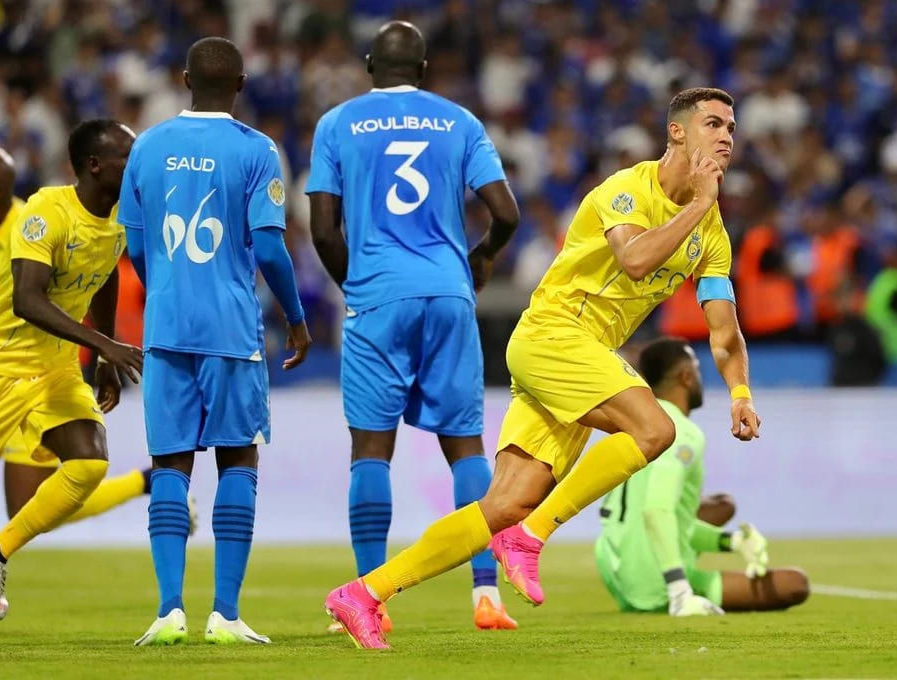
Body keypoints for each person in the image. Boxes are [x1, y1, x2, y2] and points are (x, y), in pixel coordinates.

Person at [326, 86, 761, 650]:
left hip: (585, 359)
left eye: (731, 126)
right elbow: (634, 261)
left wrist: (741, 393)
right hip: (552, 334)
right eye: (712, 123)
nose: (726, 135)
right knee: (655, 429)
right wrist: (701, 203)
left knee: (505, 502)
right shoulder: (626, 190)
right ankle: (532, 537)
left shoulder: (713, 236)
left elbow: (724, 332)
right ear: (676, 131)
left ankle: (363, 593)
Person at [307, 20, 520, 631]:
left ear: (370, 64)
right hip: (449, 292)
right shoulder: (460, 121)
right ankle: (486, 595)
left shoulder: (338, 124)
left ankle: (369, 599)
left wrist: (359, 283)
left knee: (371, 449)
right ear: (423, 70)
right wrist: (481, 257)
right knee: (465, 449)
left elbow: (323, 229)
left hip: (379, 296)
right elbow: (506, 212)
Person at [119, 37, 311, 646]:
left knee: (170, 464)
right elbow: (274, 249)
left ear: (182, 79)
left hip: (166, 330)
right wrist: (299, 318)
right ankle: (225, 615)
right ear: (242, 84)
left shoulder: (145, 147)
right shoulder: (256, 150)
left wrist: (170, 293)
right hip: (231, 331)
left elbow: (139, 248)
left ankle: (169, 610)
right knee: (237, 460)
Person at [0, 120, 145, 620]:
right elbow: (27, 299)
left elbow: (107, 273)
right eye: (126, 160)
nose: (135, 169)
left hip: (55, 367)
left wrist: (104, 362)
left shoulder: (118, 218)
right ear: (95, 166)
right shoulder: (48, 209)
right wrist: (105, 344)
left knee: (89, 461)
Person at [0, 146, 187, 534]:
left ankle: (145, 482)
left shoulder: (29, 225)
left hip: (35, 372)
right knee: (26, 507)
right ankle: (145, 482)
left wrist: (103, 347)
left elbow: (78, 278)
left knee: (42, 496)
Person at [596, 338, 809, 615]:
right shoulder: (679, 432)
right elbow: (656, 511)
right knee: (795, 584)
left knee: (721, 504)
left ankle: (666, 583)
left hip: (617, 571)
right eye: (697, 369)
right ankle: (678, 591)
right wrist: (678, 588)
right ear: (686, 377)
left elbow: (664, 519)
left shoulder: (634, 427)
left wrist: (732, 542)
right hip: (653, 580)